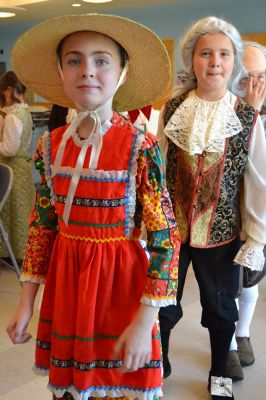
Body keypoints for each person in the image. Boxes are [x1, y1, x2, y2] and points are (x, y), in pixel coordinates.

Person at [6, 13, 180, 400]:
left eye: (102, 60)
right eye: (74, 60)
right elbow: (42, 228)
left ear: (122, 72)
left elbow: (167, 239)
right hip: (67, 288)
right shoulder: (49, 146)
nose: (87, 71)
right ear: (60, 70)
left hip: (121, 292)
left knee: (116, 390)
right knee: (67, 391)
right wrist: (25, 305)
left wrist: (145, 320)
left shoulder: (140, 147)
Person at [157, 16, 266, 400]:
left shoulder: (247, 115)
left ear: (233, 61)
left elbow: (257, 181)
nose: (214, 61)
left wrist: (256, 234)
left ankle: (219, 371)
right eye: (206, 53)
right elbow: (159, 170)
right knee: (163, 303)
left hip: (221, 233)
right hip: (171, 229)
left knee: (221, 309)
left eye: (223, 53)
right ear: (192, 59)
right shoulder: (171, 110)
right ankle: (160, 362)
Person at [226, 41, 266, 381]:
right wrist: (248, 115)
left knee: (251, 283)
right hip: (226, 214)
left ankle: (243, 333)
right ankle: (224, 348)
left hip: (260, 214)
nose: (255, 87)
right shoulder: (223, 110)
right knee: (228, 285)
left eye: (262, 77)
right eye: (246, 78)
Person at [0, 70, 34, 262]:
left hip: (12, 169)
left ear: (9, 91)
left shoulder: (13, 117)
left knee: (12, 212)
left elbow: (9, 149)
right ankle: (22, 252)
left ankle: (11, 254)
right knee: (20, 212)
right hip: (22, 169)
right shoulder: (25, 113)